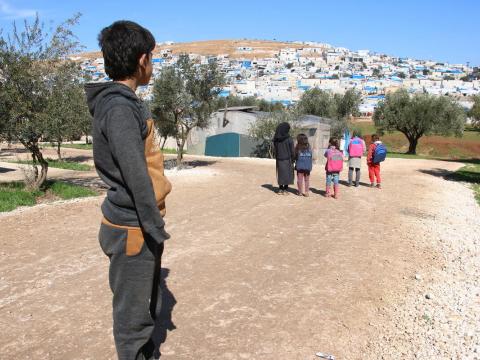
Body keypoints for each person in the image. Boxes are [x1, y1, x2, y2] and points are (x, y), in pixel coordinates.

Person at [85, 21, 172, 360]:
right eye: (152, 57)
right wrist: (154, 227)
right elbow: (136, 174)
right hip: (132, 226)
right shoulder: (120, 108)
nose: (153, 64)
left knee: (146, 309)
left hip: (135, 224)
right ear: (141, 60)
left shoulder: (125, 103)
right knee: (132, 323)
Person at [273, 122, 295, 195]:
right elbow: (292, 150)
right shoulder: (289, 139)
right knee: (287, 174)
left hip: (279, 159)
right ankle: (285, 189)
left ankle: (280, 189)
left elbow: (275, 149)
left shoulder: (276, 139)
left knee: (281, 174)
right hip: (287, 159)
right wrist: (293, 159)